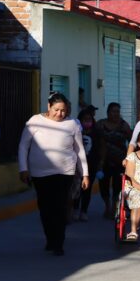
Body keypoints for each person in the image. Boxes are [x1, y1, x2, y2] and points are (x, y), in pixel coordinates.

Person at [18, 93, 89, 256]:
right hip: (39, 173)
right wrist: (23, 168)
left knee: (60, 206)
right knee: (45, 207)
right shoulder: (35, 121)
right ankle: (50, 238)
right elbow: (23, 146)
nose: (60, 114)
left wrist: (85, 173)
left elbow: (79, 150)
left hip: (65, 172)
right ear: (49, 107)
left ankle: (58, 243)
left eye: (63, 111)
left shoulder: (72, 124)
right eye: (56, 110)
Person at [95, 102, 131, 219]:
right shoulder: (101, 124)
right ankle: (107, 205)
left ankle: (114, 207)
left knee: (117, 186)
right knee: (103, 185)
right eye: (113, 111)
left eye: (117, 111)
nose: (115, 114)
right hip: (103, 161)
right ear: (108, 113)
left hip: (120, 161)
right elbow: (95, 138)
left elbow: (132, 140)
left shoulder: (124, 125)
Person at [72, 109, 100, 221]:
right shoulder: (75, 132)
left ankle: (84, 211)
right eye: (84, 120)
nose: (87, 122)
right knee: (76, 188)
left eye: (89, 120)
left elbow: (100, 149)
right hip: (76, 166)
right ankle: (75, 209)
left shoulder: (96, 133)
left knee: (87, 190)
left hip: (91, 165)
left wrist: (99, 164)